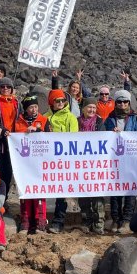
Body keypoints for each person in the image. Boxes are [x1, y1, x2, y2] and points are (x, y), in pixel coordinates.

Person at [104, 89, 137, 233]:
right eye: (119, 101)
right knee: (115, 190)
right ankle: (115, 219)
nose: (122, 104)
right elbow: (103, 135)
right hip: (115, 159)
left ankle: (126, 221)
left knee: (130, 189)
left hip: (130, 159)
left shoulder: (134, 118)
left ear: (129, 103)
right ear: (115, 103)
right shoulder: (110, 119)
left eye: (125, 101)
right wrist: (110, 133)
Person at [15, 95, 50, 234]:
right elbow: (15, 137)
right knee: (25, 189)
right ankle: (25, 221)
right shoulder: (19, 121)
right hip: (23, 162)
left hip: (39, 162)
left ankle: (40, 221)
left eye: (36, 107)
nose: (34, 109)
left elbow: (50, 137)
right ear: (26, 109)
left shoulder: (44, 120)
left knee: (39, 191)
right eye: (31, 107)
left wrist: (38, 131)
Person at [45, 89, 79, 233]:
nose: (60, 103)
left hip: (64, 160)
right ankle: (39, 219)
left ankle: (58, 221)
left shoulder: (70, 117)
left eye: (62, 101)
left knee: (61, 191)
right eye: (57, 101)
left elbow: (74, 138)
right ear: (51, 102)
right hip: (47, 159)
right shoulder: (44, 117)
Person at [77, 97, 106, 234]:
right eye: (89, 107)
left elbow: (104, 138)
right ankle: (86, 220)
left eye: (94, 108)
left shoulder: (100, 122)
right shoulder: (76, 121)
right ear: (83, 108)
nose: (92, 110)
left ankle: (99, 222)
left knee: (97, 192)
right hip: (79, 163)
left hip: (96, 163)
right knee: (82, 192)